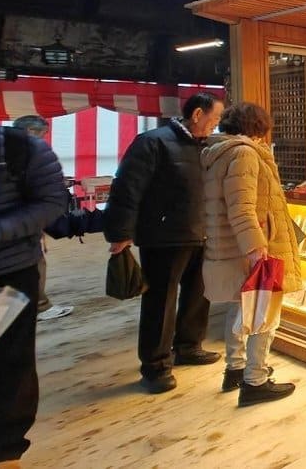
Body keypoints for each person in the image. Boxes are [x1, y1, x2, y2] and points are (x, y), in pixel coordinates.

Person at [104, 92, 223, 394]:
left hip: (202, 232)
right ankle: (155, 365)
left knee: (200, 292)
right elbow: (127, 188)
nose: (216, 125)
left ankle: (188, 345)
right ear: (197, 114)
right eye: (215, 118)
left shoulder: (208, 147)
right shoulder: (153, 142)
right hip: (164, 236)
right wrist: (120, 234)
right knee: (161, 299)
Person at [0, 79, 69, 468]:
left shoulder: (19, 149)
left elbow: (53, 203)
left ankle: (4, 451)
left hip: (5, 270)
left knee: (9, 360)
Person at [201, 102, 301, 406]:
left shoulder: (219, 153)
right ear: (256, 127)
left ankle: (235, 368)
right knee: (264, 313)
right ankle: (255, 379)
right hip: (254, 247)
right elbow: (242, 209)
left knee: (241, 307)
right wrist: (257, 250)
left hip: (234, 247)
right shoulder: (245, 153)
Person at [12, 115, 73, 322]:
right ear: (30, 131)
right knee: (34, 263)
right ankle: (40, 306)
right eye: (42, 134)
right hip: (21, 222)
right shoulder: (25, 155)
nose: (44, 138)